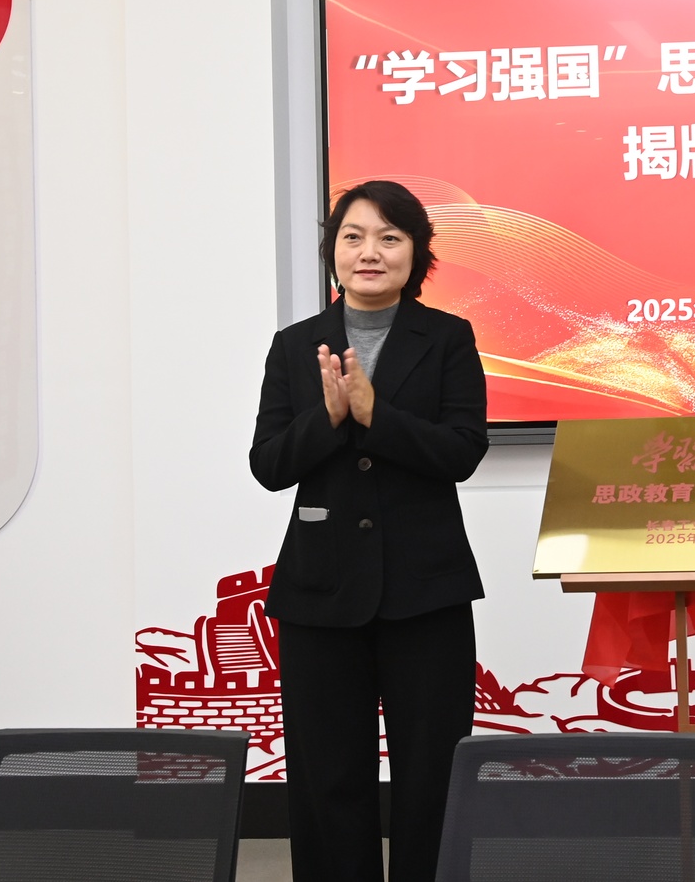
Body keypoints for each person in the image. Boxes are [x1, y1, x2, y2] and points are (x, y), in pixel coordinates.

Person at [251, 180, 489, 882]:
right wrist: (328, 417)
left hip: (426, 589)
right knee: (327, 777)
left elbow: (462, 451)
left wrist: (375, 414)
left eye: (390, 237)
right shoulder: (295, 345)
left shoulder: (447, 338)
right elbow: (268, 465)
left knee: (432, 773)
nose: (370, 252)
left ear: (417, 253)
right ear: (333, 251)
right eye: (353, 237)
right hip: (320, 593)